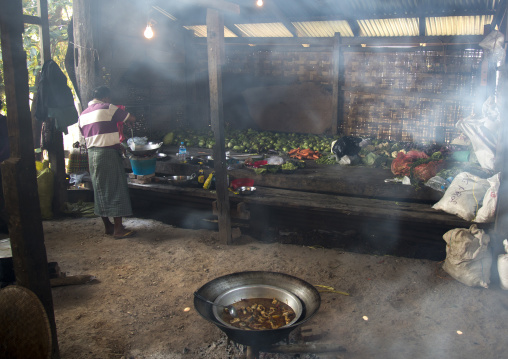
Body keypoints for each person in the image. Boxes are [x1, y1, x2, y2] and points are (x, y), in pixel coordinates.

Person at [78, 86, 136, 238]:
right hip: (108, 155)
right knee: (116, 188)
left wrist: (118, 143)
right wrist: (129, 123)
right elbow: (131, 118)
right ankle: (118, 229)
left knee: (100, 189)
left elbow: (94, 136)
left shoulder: (83, 115)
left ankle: (108, 226)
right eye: (109, 98)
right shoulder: (107, 107)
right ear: (105, 98)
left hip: (92, 155)